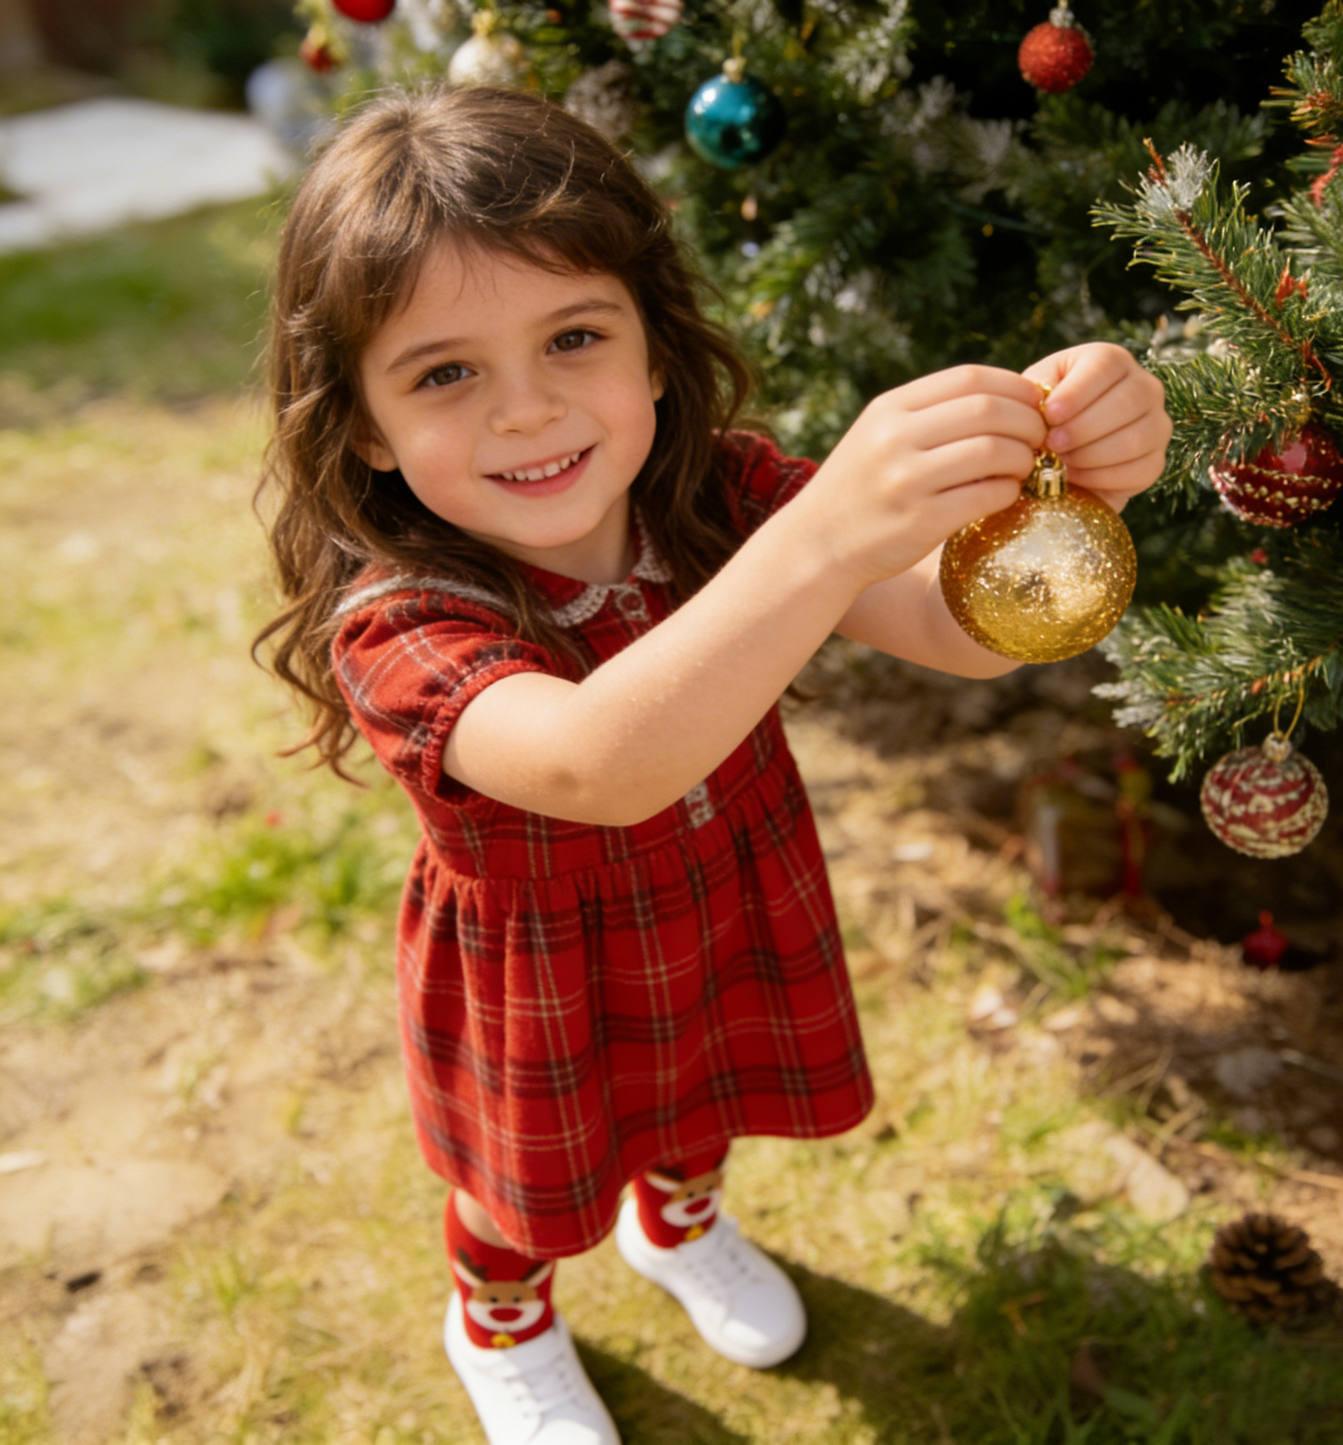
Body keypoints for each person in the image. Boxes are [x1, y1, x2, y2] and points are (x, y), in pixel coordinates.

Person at [256, 84, 1171, 1445]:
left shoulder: (717, 496)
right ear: (367, 427)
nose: (527, 408)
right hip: (543, 964)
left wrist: (1071, 484)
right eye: (445, 371)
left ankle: (680, 1228)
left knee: (706, 1088)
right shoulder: (399, 623)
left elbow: (953, 632)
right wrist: (821, 542)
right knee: (526, 1183)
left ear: (658, 349)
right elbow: (593, 764)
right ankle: (497, 1318)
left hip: (726, 894)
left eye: (576, 336)